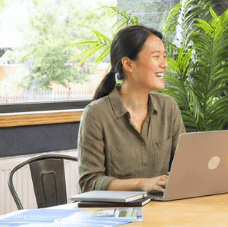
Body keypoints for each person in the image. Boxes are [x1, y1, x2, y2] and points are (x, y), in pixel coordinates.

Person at [78, 25, 185, 193]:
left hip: (162, 206)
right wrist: (142, 184)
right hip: (114, 209)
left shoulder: (168, 107)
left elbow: (184, 167)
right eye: (156, 56)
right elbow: (89, 182)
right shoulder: (96, 114)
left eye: (164, 57)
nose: (164, 65)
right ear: (128, 64)